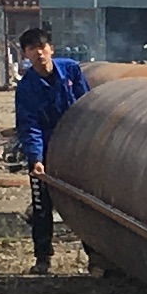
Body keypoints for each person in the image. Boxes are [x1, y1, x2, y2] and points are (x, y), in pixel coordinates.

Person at [10, 24, 90, 274]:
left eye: (42, 47)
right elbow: (29, 125)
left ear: (51, 49)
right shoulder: (26, 88)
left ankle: (96, 255)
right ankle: (43, 257)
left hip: (74, 145)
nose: (39, 53)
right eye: (32, 49)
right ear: (25, 54)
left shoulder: (70, 70)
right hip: (44, 149)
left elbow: (86, 105)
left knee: (85, 203)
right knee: (42, 205)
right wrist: (35, 159)